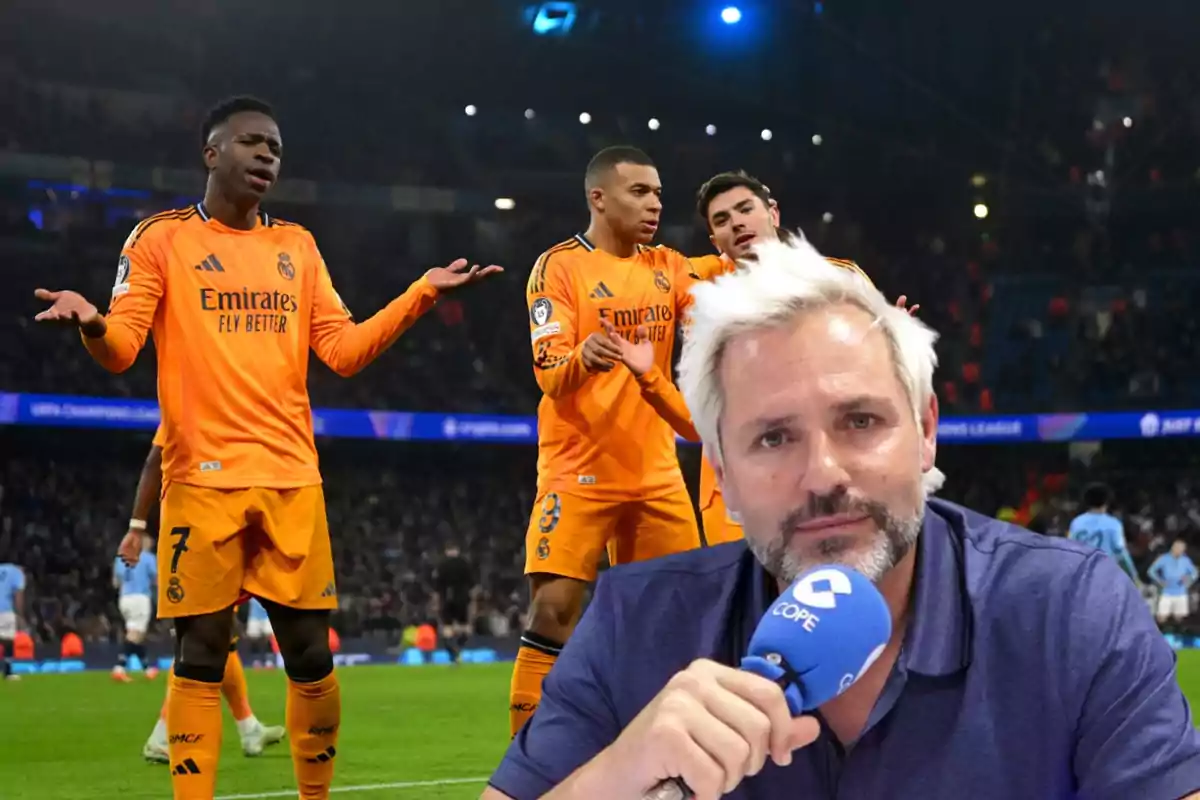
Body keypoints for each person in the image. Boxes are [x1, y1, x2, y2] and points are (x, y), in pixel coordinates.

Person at [482, 239, 1200, 800]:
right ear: (722, 476)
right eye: (773, 437)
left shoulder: (1071, 613)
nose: (823, 474)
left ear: (925, 433)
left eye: (860, 420)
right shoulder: (630, 627)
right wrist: (614, 780)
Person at [34, 95, 502, 800]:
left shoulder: (298, 247)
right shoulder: (158, 239)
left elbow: (342, 352)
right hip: (200, 478)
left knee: (311, 655)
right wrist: (94, 323)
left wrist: (420, 295)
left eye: (276, 147)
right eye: (251, 142)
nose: (266, 155)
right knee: (199, 653)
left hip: (290, 478)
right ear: (211, 152)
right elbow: (123, 351)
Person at [511, 146, 704, 737]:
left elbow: (745, 267)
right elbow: (548, 373)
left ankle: (659, 764)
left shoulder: (669, 267)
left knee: (678, 627)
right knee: (554, 610)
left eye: (658, 192)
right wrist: (582, 358)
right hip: (579, 472)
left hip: (658, 478)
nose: (655, 203)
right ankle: (530, 771)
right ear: (599, 197)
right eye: (639, 192)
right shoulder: (558, 268)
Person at [611, 170, 892, 548]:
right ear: (715, 241)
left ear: (772, 213)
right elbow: (616, 271)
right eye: (722, 220)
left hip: (827, 470)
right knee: (745, 602)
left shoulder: (839, 279)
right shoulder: (699, 288)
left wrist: (888, 338)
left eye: (745, 209)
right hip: (738, 494)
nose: (737, 223)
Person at [121, 428, 286, 761]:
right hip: (195, 533)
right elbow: (155, 461)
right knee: (199, 640)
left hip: (223, 529)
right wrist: (137, 527)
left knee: (223, 638)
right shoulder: (188, 407)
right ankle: (164, 735)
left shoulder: (229, 412)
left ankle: (247, 726)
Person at [1068, 483, 1141, 585]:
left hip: (1083, 576)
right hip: (1106, 576)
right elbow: (1120, 553)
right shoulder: (1113, 524)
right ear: (1107, 502)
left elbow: (1069, 550)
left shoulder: (1076, 523)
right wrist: (1133, 576)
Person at [112, 533, 159, 682]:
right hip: (140, 598)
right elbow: (156, 579)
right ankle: (120, 668)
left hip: (124, 598)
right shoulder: (148, 558)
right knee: (134, 634)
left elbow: (116, 582)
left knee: (137, 634)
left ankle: (147, 668)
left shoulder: (121, 557)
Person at [434, 543, 476, 664]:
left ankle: (452, 652)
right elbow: (472, 585)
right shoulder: (464, 563)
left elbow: (437, 586)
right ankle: (459, 648)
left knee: (447, 627)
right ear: (457, 550)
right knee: (465, 627)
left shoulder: (441, 565)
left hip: (446, 598)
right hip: (462, 598)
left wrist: (437, 603)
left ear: (446, 550)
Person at [1149, 539, 1198, 630]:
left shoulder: (1185, 560)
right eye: (1178, 549)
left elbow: (1195, 573)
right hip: (1167, 592)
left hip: (1181, 592)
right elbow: (1151, 571)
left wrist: (1188, 581)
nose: (1180, 551)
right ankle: (1158, 633)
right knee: (1161, 617)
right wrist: (1160, 581)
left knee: (1180, 617)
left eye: (1182, 549)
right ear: (1173, 549)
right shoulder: (1164, 558)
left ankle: (1179, 634)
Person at [0, 558, 25, 682]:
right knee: (8, 641)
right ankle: (8, 672)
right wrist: (19, 615)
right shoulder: (16, 572)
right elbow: (18, 595)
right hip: (4, 611)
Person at [244, 598, 275, 668]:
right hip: (254, 616)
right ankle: (256, 661)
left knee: (268, 638)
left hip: (266, 616)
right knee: (254, 639)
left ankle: (269, 661)